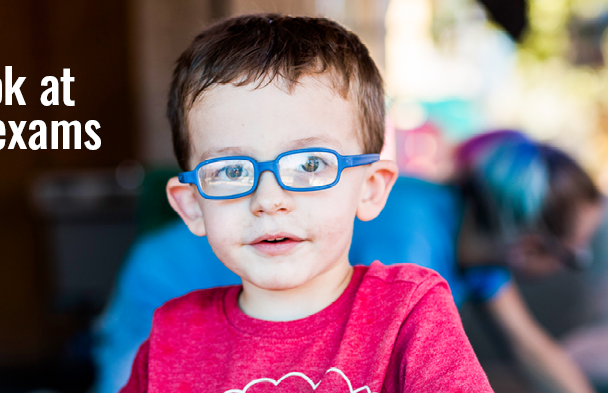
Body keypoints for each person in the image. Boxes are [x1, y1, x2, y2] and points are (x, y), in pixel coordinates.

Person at [114, 14, 493, 393]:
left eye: (310, 164)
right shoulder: (170, 339)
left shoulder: (409, 314)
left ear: (371, 188)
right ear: (193, 206)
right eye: (230, 171)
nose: (268, 200)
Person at [95, 127, 605, 392]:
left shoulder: (482, 255)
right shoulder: (412, 245)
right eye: (573, 257)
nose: (571, 265)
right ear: (529, 246)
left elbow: (530, 349)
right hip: (174, 282)